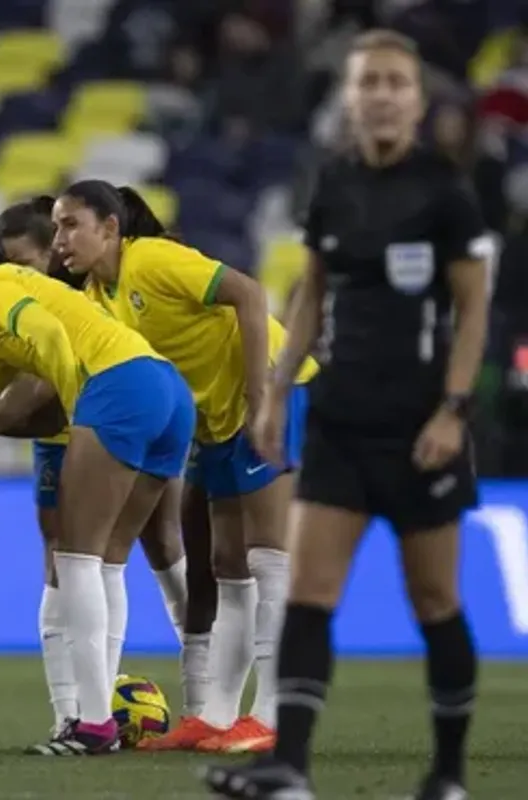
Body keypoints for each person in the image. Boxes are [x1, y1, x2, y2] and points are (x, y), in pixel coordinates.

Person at [203, 31, 487, 800]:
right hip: (341, 419)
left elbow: (473, 308)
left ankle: (450, 773)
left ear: (418, 101)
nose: (385, 94)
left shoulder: (445, 193)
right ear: (352, 98)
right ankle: (289, 768)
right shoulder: (330, 183)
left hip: (423, 426)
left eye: (398, 81)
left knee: (435, 600)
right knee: (308, 594)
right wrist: (277, 386)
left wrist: (454, 412)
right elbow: (312, 292)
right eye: (371, 82)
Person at [0, 212, 195, 756]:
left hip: (115, 389)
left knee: (74, 558)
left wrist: (80, 405)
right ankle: (98, 716)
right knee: (108, 560)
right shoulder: (10, 304)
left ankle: (92, 723)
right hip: (165, 389)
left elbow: (49, 337)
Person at [52, 179, 317, 754]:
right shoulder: (98, 297)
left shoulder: (153, 260)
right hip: (218, 420)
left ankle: (271, 716)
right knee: (226, 566)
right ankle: (218, 716)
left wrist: (258, 398)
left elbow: (248, 293)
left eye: (70, 224)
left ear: (111, 227)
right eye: (55, 227)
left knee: (269, 558)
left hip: (271, 388)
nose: (59, 239)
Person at [0, 197, 193, 733]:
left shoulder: (84, 297)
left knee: (151, 546)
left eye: (24, 263)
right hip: (71, 436)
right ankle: (74, 712)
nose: (16, 274)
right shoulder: (70, 295)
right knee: (71, 561)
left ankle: (195, 689)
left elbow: (43, 385)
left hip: (119, 420)